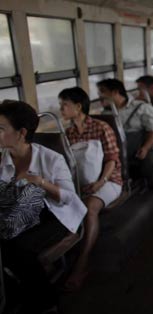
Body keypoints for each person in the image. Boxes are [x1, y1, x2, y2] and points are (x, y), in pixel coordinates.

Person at [0, 100, 86, 314]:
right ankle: (14, 293)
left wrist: (40, 182)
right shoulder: (3, 160)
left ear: (21, 133)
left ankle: (47, 302)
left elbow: (68, 197)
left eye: (1, 129)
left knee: (19, 248)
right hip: (17, 216)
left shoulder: (50, 158)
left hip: (55, 214)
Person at [58, 87, 123, 291]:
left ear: (78, 107)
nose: (61, 108)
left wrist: (99, 183)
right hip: (82, 184)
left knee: (89, 207)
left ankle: (82, 263)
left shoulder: (101, 127)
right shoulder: (67, 134)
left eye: (65, 104)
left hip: (109, 180)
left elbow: (112, 159)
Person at [97, 78, 153, 219]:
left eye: (103, 92)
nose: (100, 95)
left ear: (115, 92)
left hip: (144, 146)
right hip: (118, 150)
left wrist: (145, 148)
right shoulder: (105, 114)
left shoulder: (141, 107)